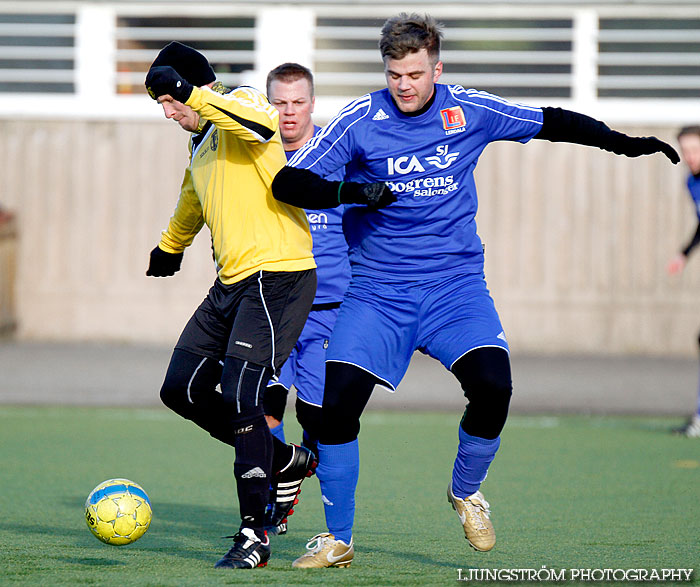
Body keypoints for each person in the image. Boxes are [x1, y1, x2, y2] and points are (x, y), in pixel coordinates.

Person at [271, 13, 679, 568]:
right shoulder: (358, 120)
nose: (404, 85)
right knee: (335, 409)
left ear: (436, 68)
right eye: (394, 74)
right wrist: (351, 190)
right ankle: (337, 537)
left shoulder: (470, 110)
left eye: (414, 73)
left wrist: (622, 143)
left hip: (453, 288)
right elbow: (288, 181)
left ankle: (465, 491)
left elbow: (550, 120)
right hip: (377, 293)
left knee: (493, 386)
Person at [143, 42, 391, 569]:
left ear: (194, 87)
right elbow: (193, 196)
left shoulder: (247, 104)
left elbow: (258, 126)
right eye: (160, 104)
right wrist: (171, 245)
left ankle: (255, 533)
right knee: (179, 389)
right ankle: (282, 459)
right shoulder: (202, 142)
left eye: (169, 99)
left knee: (241, 396)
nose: (167, 112)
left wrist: (195, 93)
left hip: (278, 278)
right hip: (231, 284)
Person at [262, 63, 350, 535]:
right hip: (274, 310)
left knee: (316, 418)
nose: (289, 112)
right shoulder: (259, 156)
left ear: (312, 103)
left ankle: (313, 481)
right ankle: (275, 491)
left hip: (328, 312)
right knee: (262, 407)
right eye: (280, 102)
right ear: (268, 102)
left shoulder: (336, 155)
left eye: (298, 102)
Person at [667, 125, 700, 438]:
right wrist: (684, 254)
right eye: (685, 150)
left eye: (695, 149)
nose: (690, 157)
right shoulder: (692, 182)